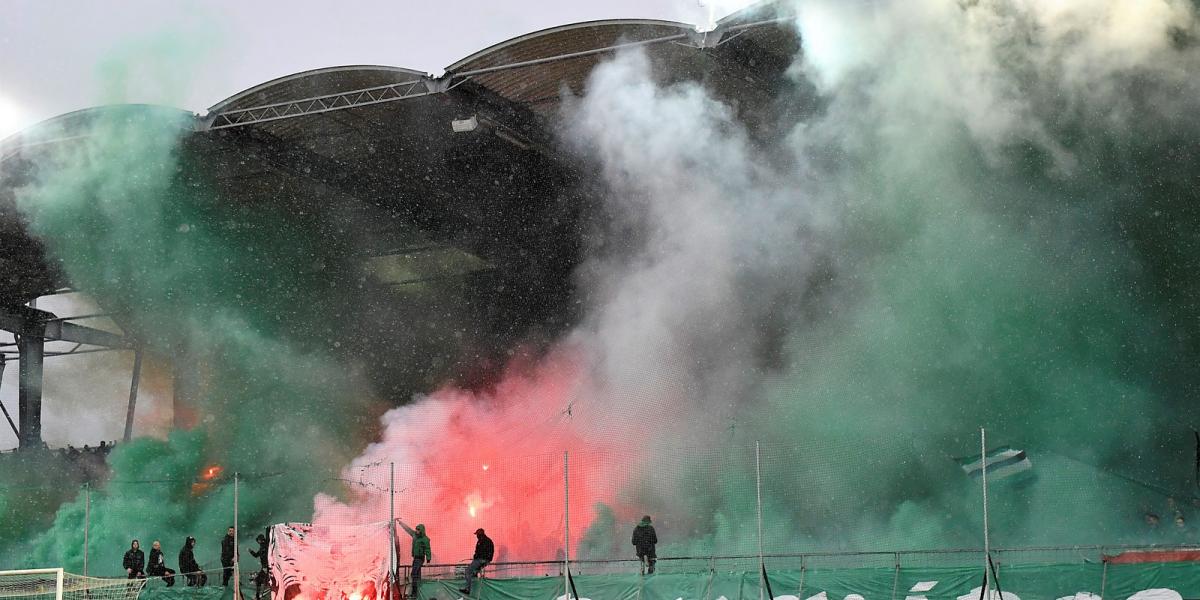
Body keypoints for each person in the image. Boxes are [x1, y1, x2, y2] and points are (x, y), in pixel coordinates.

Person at [398, 521, 431, 598]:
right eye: (416, 529)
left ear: (422, 530)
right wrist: (400, 523)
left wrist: (428, 558)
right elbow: (408, 529)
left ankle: (414, 593)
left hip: (420, 558)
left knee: (414, 574)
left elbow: (428, 549)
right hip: (415, 558)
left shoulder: (425, 539)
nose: (416, 531)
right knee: (416, 574)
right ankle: (417, 592)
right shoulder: (414, 535)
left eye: (418, 530)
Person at [459, 528, 494, 595]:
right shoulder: (489, 540)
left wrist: (475, 558)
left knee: (468, 571)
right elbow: (490, 552)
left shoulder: (481, 541)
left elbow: (479, 552)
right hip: (486, 560)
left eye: (477, 534)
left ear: (479, 534)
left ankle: (467, 589)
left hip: (481, 560)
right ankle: (475, 576)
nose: (476, 536)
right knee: (475, 571)